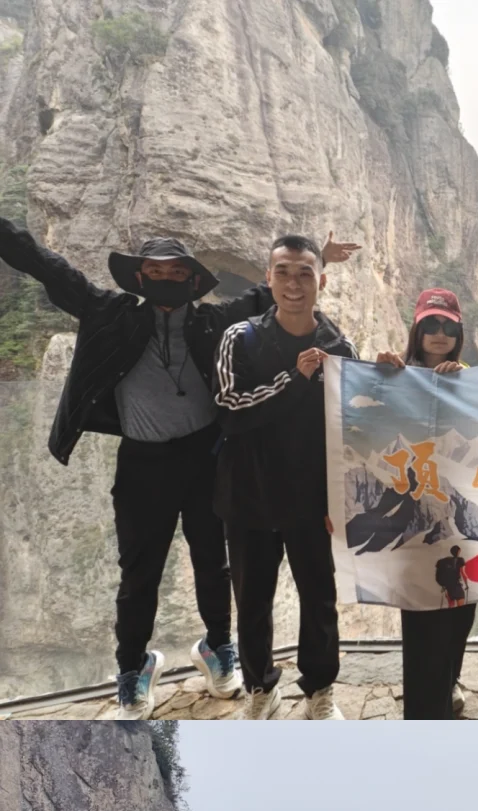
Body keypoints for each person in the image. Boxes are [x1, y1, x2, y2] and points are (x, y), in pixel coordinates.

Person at [0, 213, 358, 718]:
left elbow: (282, 291)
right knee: (139, 572)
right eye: (155, 271)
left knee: (215, 565)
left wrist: (321, 258)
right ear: (139, 277)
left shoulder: (211, 321)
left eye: (176, 272)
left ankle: (219, 648)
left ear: (193, 280)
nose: (165, 279)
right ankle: (132, 669)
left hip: (204, 457)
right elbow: (48, 267)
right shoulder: (111, 312)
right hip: (142, 461)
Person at [214, 234, 357, 719]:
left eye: (304, 274)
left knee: (319, 597)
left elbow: (351, 422)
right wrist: (293, 379)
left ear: (321, 280)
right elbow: (229, 408)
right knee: (252, 600)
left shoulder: (339, 346)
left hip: (311, 497)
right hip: (248, 494)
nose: (294, 284)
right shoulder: (240, 337)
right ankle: (260, 687)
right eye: (283, 272)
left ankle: (320, 690)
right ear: (268, 277)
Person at [375, 289, 477, 719]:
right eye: (430, 325)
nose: (439, 334)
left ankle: (448, 682)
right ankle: (422, 709)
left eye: (448, 327)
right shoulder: (396, 374)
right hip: (412, 515)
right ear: (415, 331)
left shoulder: (471, 378)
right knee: (419, 611)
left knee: (460, 607)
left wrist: (464, 384)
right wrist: (379, 374)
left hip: (462, 514)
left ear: (459, 334)